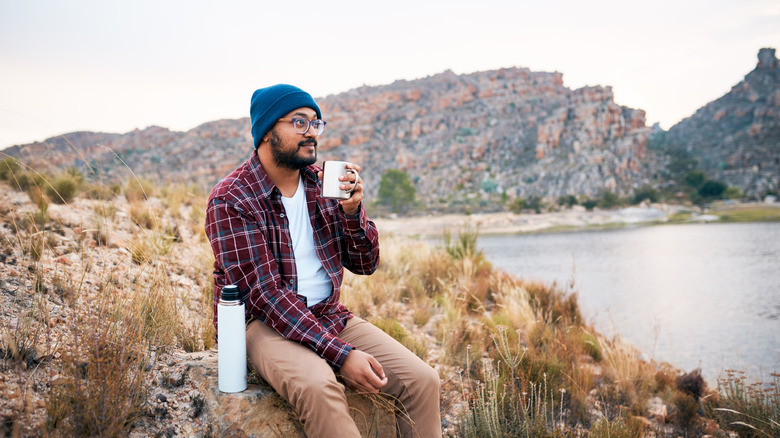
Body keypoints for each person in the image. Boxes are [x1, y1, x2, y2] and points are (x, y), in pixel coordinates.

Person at [205, 84, 442, 437]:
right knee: (321, 388)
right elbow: (265, 295)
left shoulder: (322, 184)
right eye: (299, 123)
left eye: (317, 123)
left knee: (422, 381)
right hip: (261, 324)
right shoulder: (231, 199)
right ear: (268, 131)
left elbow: (365, 263)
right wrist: (342, 356)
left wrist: (352, 211)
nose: (311, 133)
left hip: (328, 315)